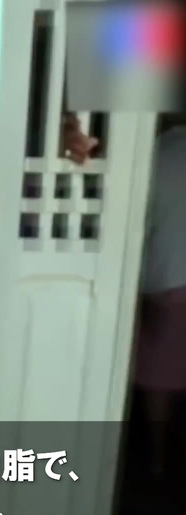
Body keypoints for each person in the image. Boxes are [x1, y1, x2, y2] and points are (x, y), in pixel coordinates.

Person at [64, 111, 186, 480]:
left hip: (167, 278)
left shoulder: (153, 154)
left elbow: (130, 220)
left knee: (157, 379)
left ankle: (157, 460)